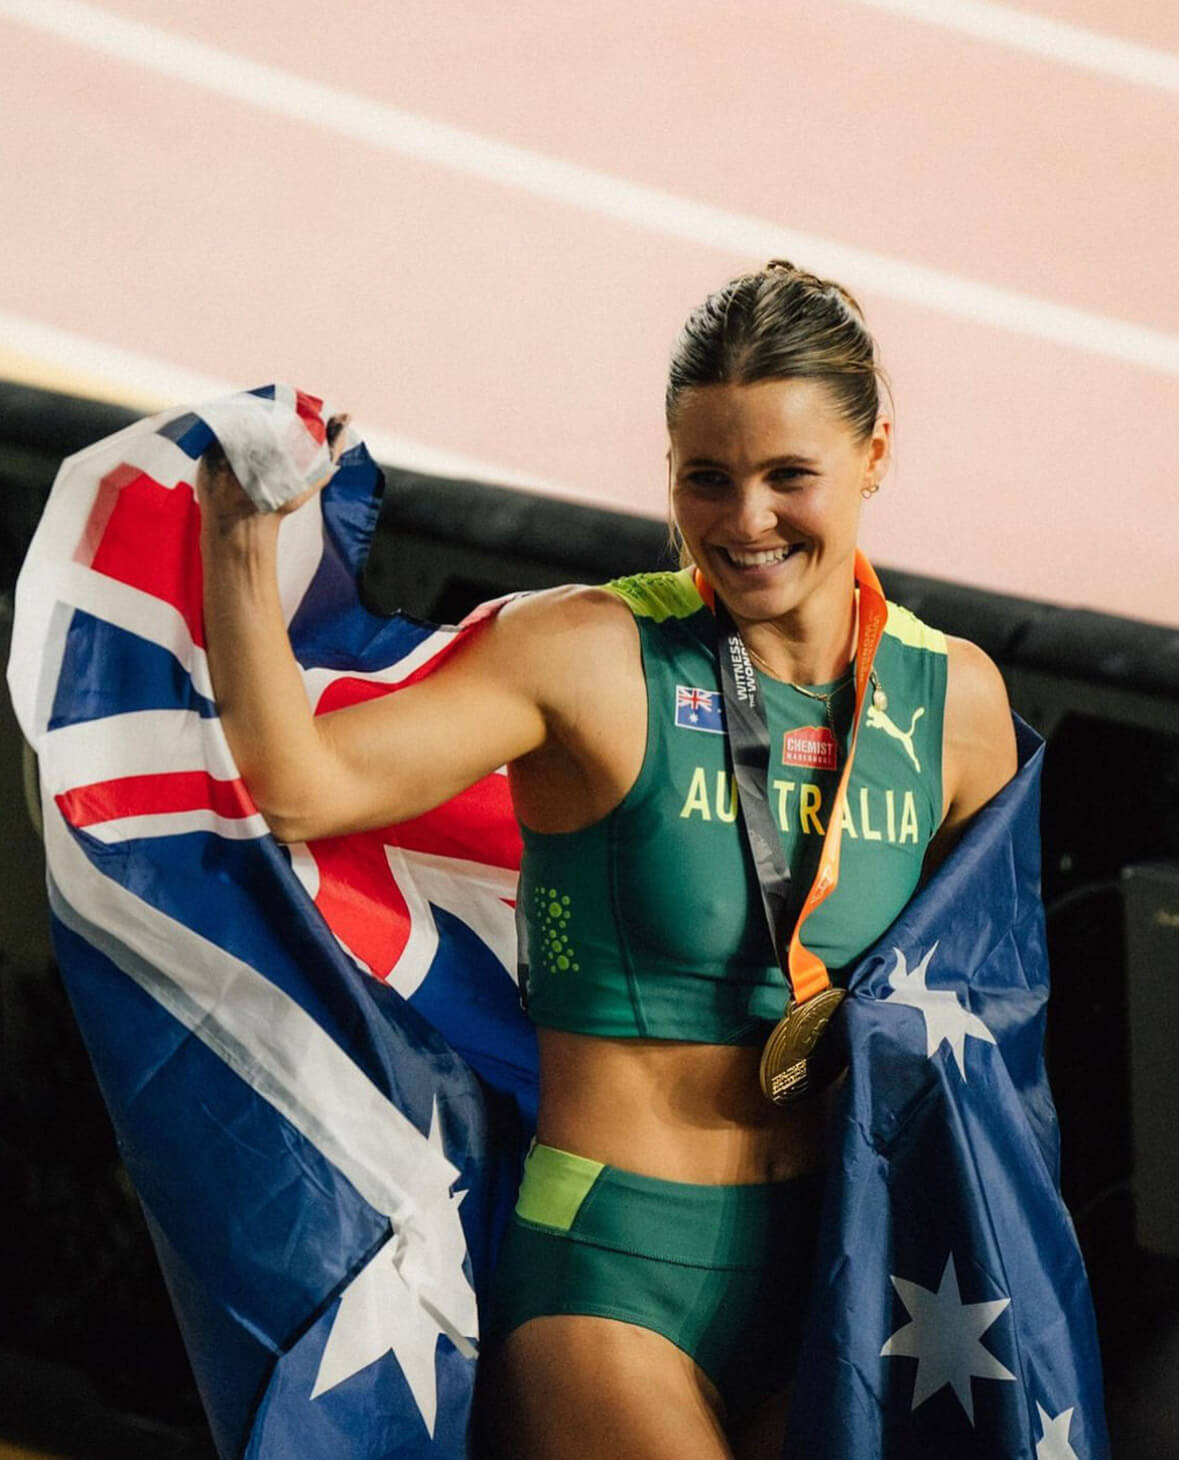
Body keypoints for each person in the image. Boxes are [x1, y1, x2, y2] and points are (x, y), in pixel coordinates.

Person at [197, 261, 1016, 1460]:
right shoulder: (586, 654)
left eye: (791, 475)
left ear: (875, 456)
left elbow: (986, 1028)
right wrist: (237, 533)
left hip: (848, 1264)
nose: (746, 520)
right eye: (707, 477)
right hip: (616, 1263)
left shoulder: (958, 707)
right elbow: (305, 786)